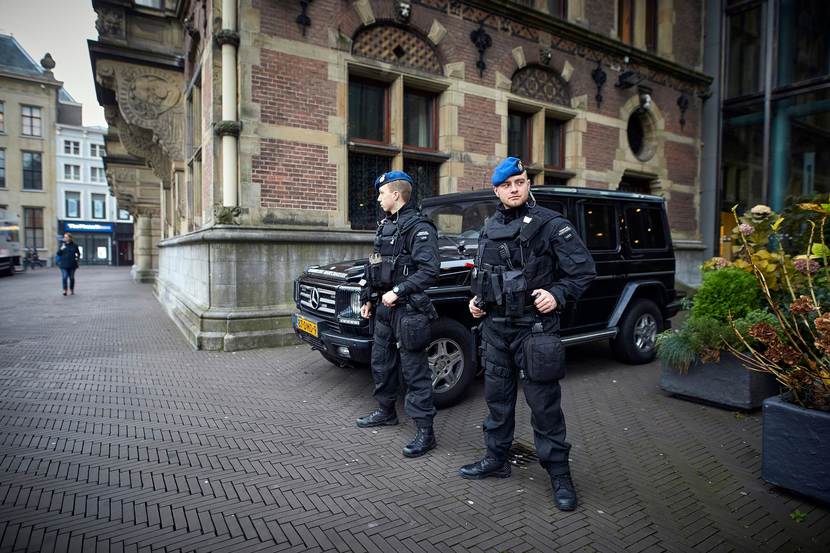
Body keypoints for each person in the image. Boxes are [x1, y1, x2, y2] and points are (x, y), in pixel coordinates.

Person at [459, 157, 596, 511]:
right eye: (507, 185)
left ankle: (559, 475)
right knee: (497, 401)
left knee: (544, 406)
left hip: (535, 329)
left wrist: (558, 294)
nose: (514, 189)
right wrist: (478, 301)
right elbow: (486, 275)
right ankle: (496, 459)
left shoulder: (552, 225)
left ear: (528, 183)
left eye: (520, 182)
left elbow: (583, 272)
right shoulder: (488, 227)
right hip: (496, 329)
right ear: (497, 191)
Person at [357, 170, 441, 458]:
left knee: (414, 371)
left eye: (382, 193)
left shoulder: (420, 228)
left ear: (396, 194)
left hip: (408, 310)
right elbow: (375, 266)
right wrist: (369, 297)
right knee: (381, 363)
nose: (379, 198)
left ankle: (425, 431)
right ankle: (386, 411)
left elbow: (430, 271)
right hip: (383, 308)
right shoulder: (384, 227)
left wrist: (400, 290)